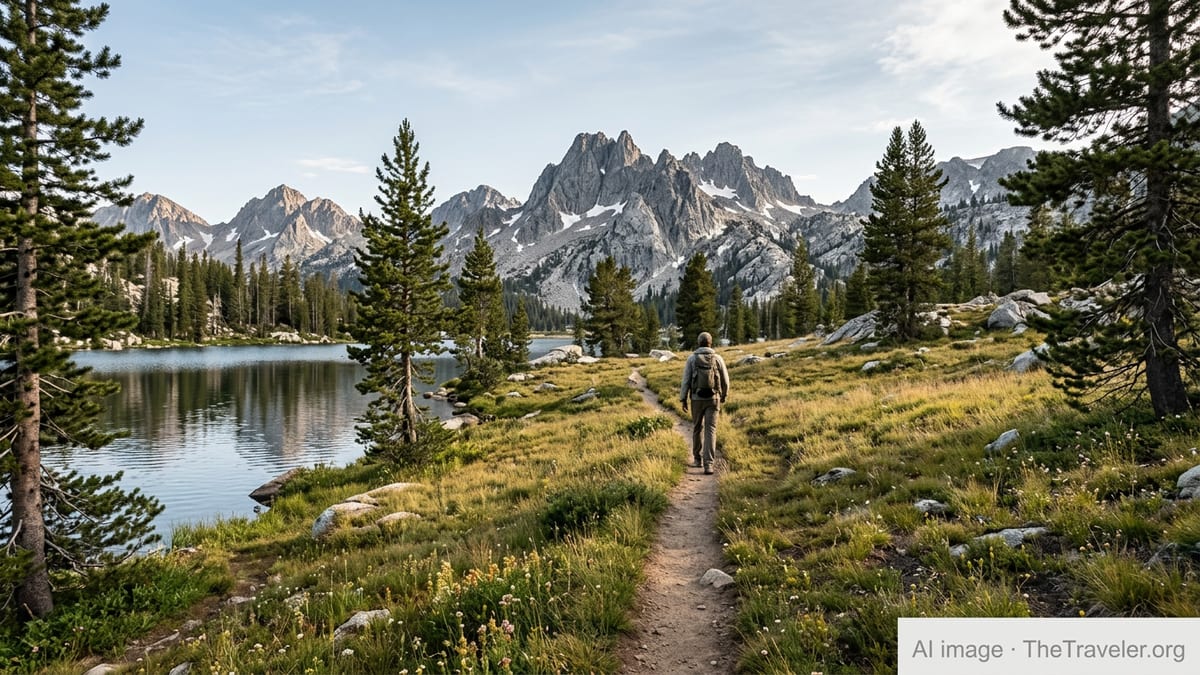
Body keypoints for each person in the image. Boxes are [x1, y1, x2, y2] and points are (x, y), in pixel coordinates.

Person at [679, 331, 729, 475]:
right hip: (713, 399)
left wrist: (683, 398)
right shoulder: (718, 358)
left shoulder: (691, 359)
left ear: (698, 343)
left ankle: (697, 459)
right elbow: (725, 380)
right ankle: (709, 465)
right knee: (710, 430)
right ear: (710, 343)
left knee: (696, 428)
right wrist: (724, 395)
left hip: (696, 399)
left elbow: (686, 381)